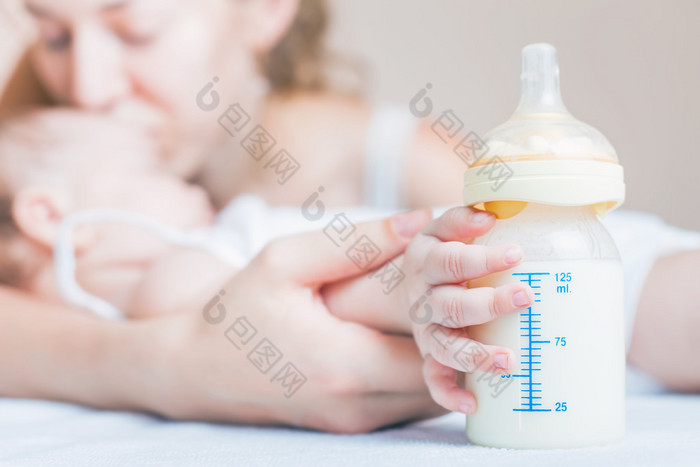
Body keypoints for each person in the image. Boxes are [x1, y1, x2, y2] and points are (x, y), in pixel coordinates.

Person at [0, 0, 697, 433]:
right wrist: (166, 365)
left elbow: (573, 260)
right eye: (54, 37)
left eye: (136, 27)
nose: (85, 86)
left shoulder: (403, 158)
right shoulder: (44, 155)